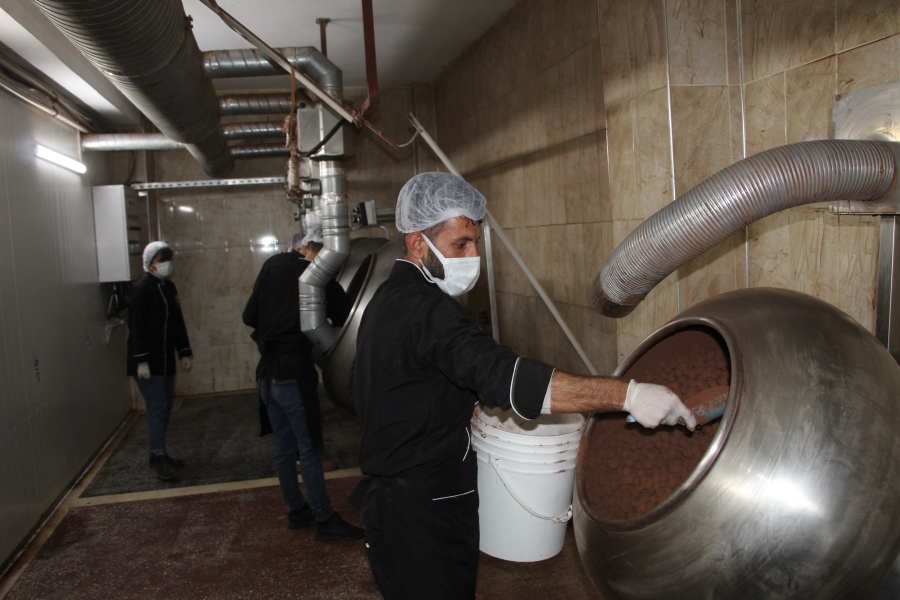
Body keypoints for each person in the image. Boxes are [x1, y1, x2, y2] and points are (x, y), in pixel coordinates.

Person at [350, 172, 697, 599]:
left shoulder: (389, 300)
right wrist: (627, 394)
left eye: (475, 242)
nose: (473, 255)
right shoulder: (428, 312)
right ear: (418, 243)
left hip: (403, 504)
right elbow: (510, 378)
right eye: (461, 244)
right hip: (421, 514)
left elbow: (406, 383)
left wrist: (455, 404)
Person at [242, 228, 363, 541]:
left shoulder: (271, 266)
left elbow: (249, 315)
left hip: (266, 373)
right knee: (310, 450)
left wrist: (277, 326)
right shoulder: (317, 277)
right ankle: (325, 520)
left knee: (284, 448)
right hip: (294, 373)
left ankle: (297, 510)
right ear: (321, 251)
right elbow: (346, 316)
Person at [127, 241, 193, 482]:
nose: (165, 265)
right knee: (156, 408)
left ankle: (159, 454)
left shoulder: (169, 288)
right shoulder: (141, 289)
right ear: (149, 264)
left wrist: (184, 351)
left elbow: (176, 321)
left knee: (164, 407)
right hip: (147, 361)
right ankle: (157, 455)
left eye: (167, 259)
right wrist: (140, 361)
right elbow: (136, 328)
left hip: (165, 359)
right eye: (160, 260)